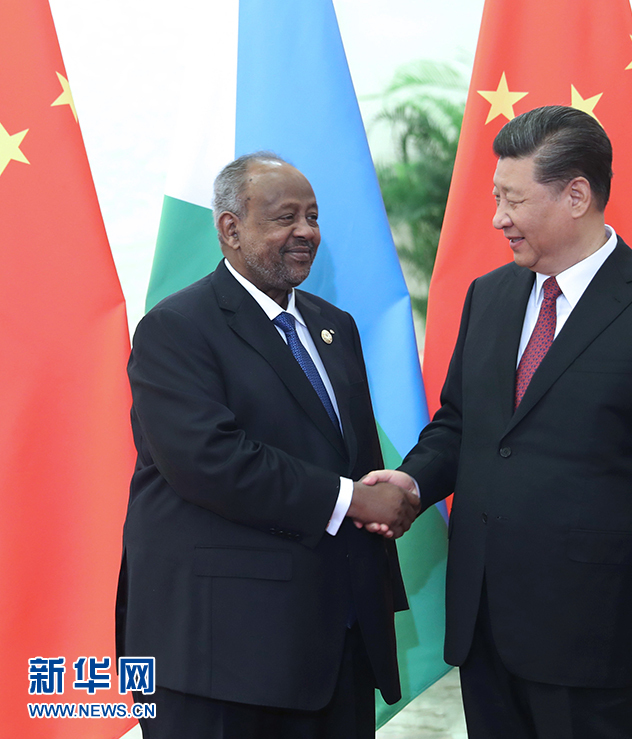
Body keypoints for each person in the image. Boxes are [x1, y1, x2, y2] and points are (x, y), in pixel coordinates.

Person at [364, 106, 632, 739]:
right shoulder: (489, 295)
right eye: (495, 198)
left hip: (602, 640)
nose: (497, 218)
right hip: (486, 629)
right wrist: (413, 482)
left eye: (513, 200)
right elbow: (460, 425)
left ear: (576, 196)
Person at [116, 152, 419, 738]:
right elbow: (210, 461)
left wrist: (382, 503)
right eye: (286, 217)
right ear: (230, 229)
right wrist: (354, 500)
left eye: (313, 216)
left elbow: (350, 457)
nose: (306, 231)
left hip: (338, 641)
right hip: (223, 656)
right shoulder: (177, 328)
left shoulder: (335, 326)